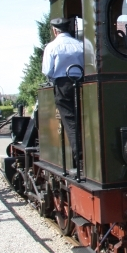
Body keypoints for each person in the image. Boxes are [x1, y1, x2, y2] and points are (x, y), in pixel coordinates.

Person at [41, 17, 84, 160]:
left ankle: (79, 155)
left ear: (55, 31)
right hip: (82, 83)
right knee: (83, 116)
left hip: (62, 85)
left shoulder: (51, 47)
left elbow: (47, 71)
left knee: (70, 120)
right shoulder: (80, 45)